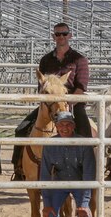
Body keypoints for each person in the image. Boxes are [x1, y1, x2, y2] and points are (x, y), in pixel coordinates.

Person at [12, 23, 92, 180]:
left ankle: (87, 172)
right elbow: (40, 86)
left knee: (86, 135)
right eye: (57, 34)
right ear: (53, 36)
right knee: (21, 129)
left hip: (72, 103)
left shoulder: (80, 60)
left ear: (70, 36)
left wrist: (68, 103)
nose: (60, 37)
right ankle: (19, 168)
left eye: (64, 34)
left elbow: (81, 87)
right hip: (48, 105)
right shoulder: (46, 60)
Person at [38, 111, 96, 217]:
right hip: (59, 183)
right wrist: (47, 202)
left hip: (80, 183)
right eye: (61, 125)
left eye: (68, 124)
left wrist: (84, 203)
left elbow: (89, 173)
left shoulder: (83, 144)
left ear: (74, 126)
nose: (65, 128)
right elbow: (44, 174)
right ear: (56, 127)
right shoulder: (50, 145)